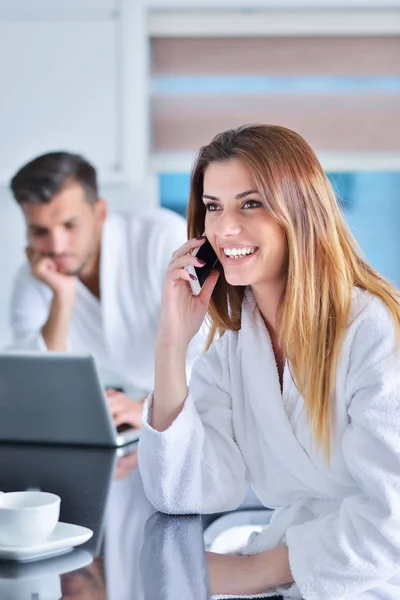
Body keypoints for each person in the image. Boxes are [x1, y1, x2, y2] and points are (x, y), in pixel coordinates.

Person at [138, 124, 400, 599]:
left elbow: (395, 520)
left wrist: (255, 572)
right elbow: (183, 491)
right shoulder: (237, 342)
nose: (223, 229)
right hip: (299, 575)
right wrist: (170, 346)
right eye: (213, 207)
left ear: (300, 211)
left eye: (250, 204)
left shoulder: (373, 331)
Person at [9, 151, 206, 431]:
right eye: (40, 231)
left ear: (100, 212)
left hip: (201, 411)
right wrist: (62, 298)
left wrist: (148, 407)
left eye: (69, 225)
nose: (57, 246)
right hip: (129, 417)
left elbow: (213, 349)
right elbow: (36, 382)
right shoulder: (36, 278)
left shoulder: (161, 238)